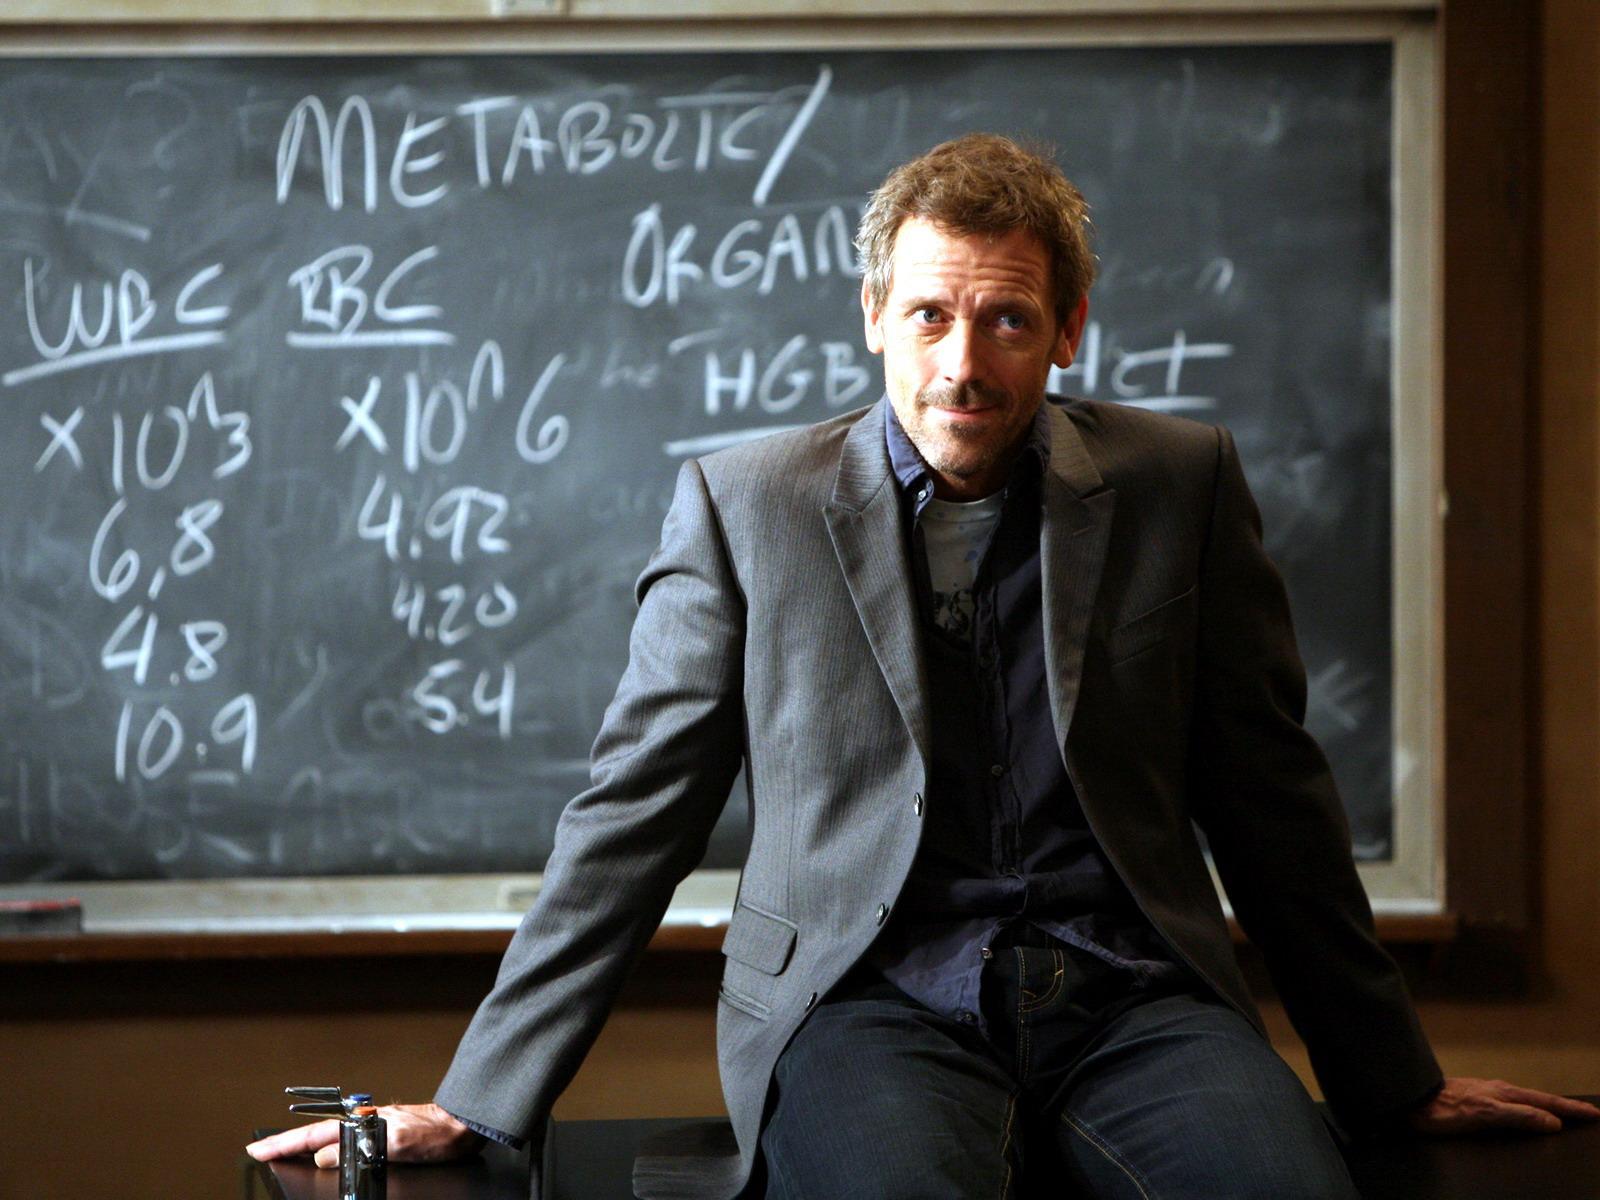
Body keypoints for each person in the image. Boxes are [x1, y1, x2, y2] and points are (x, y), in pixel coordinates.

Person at [249, 134, 1597, 1197]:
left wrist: (1388, 1078)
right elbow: (634, 814)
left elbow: (1273, 798)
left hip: (1131, 996)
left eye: (1007, 321)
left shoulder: (1179, 484)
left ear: (1069, 327)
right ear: (875, 315)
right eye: (932, 316)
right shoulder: (747, 505)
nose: (965, 364)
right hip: (868, 1002)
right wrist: (482, 1098)